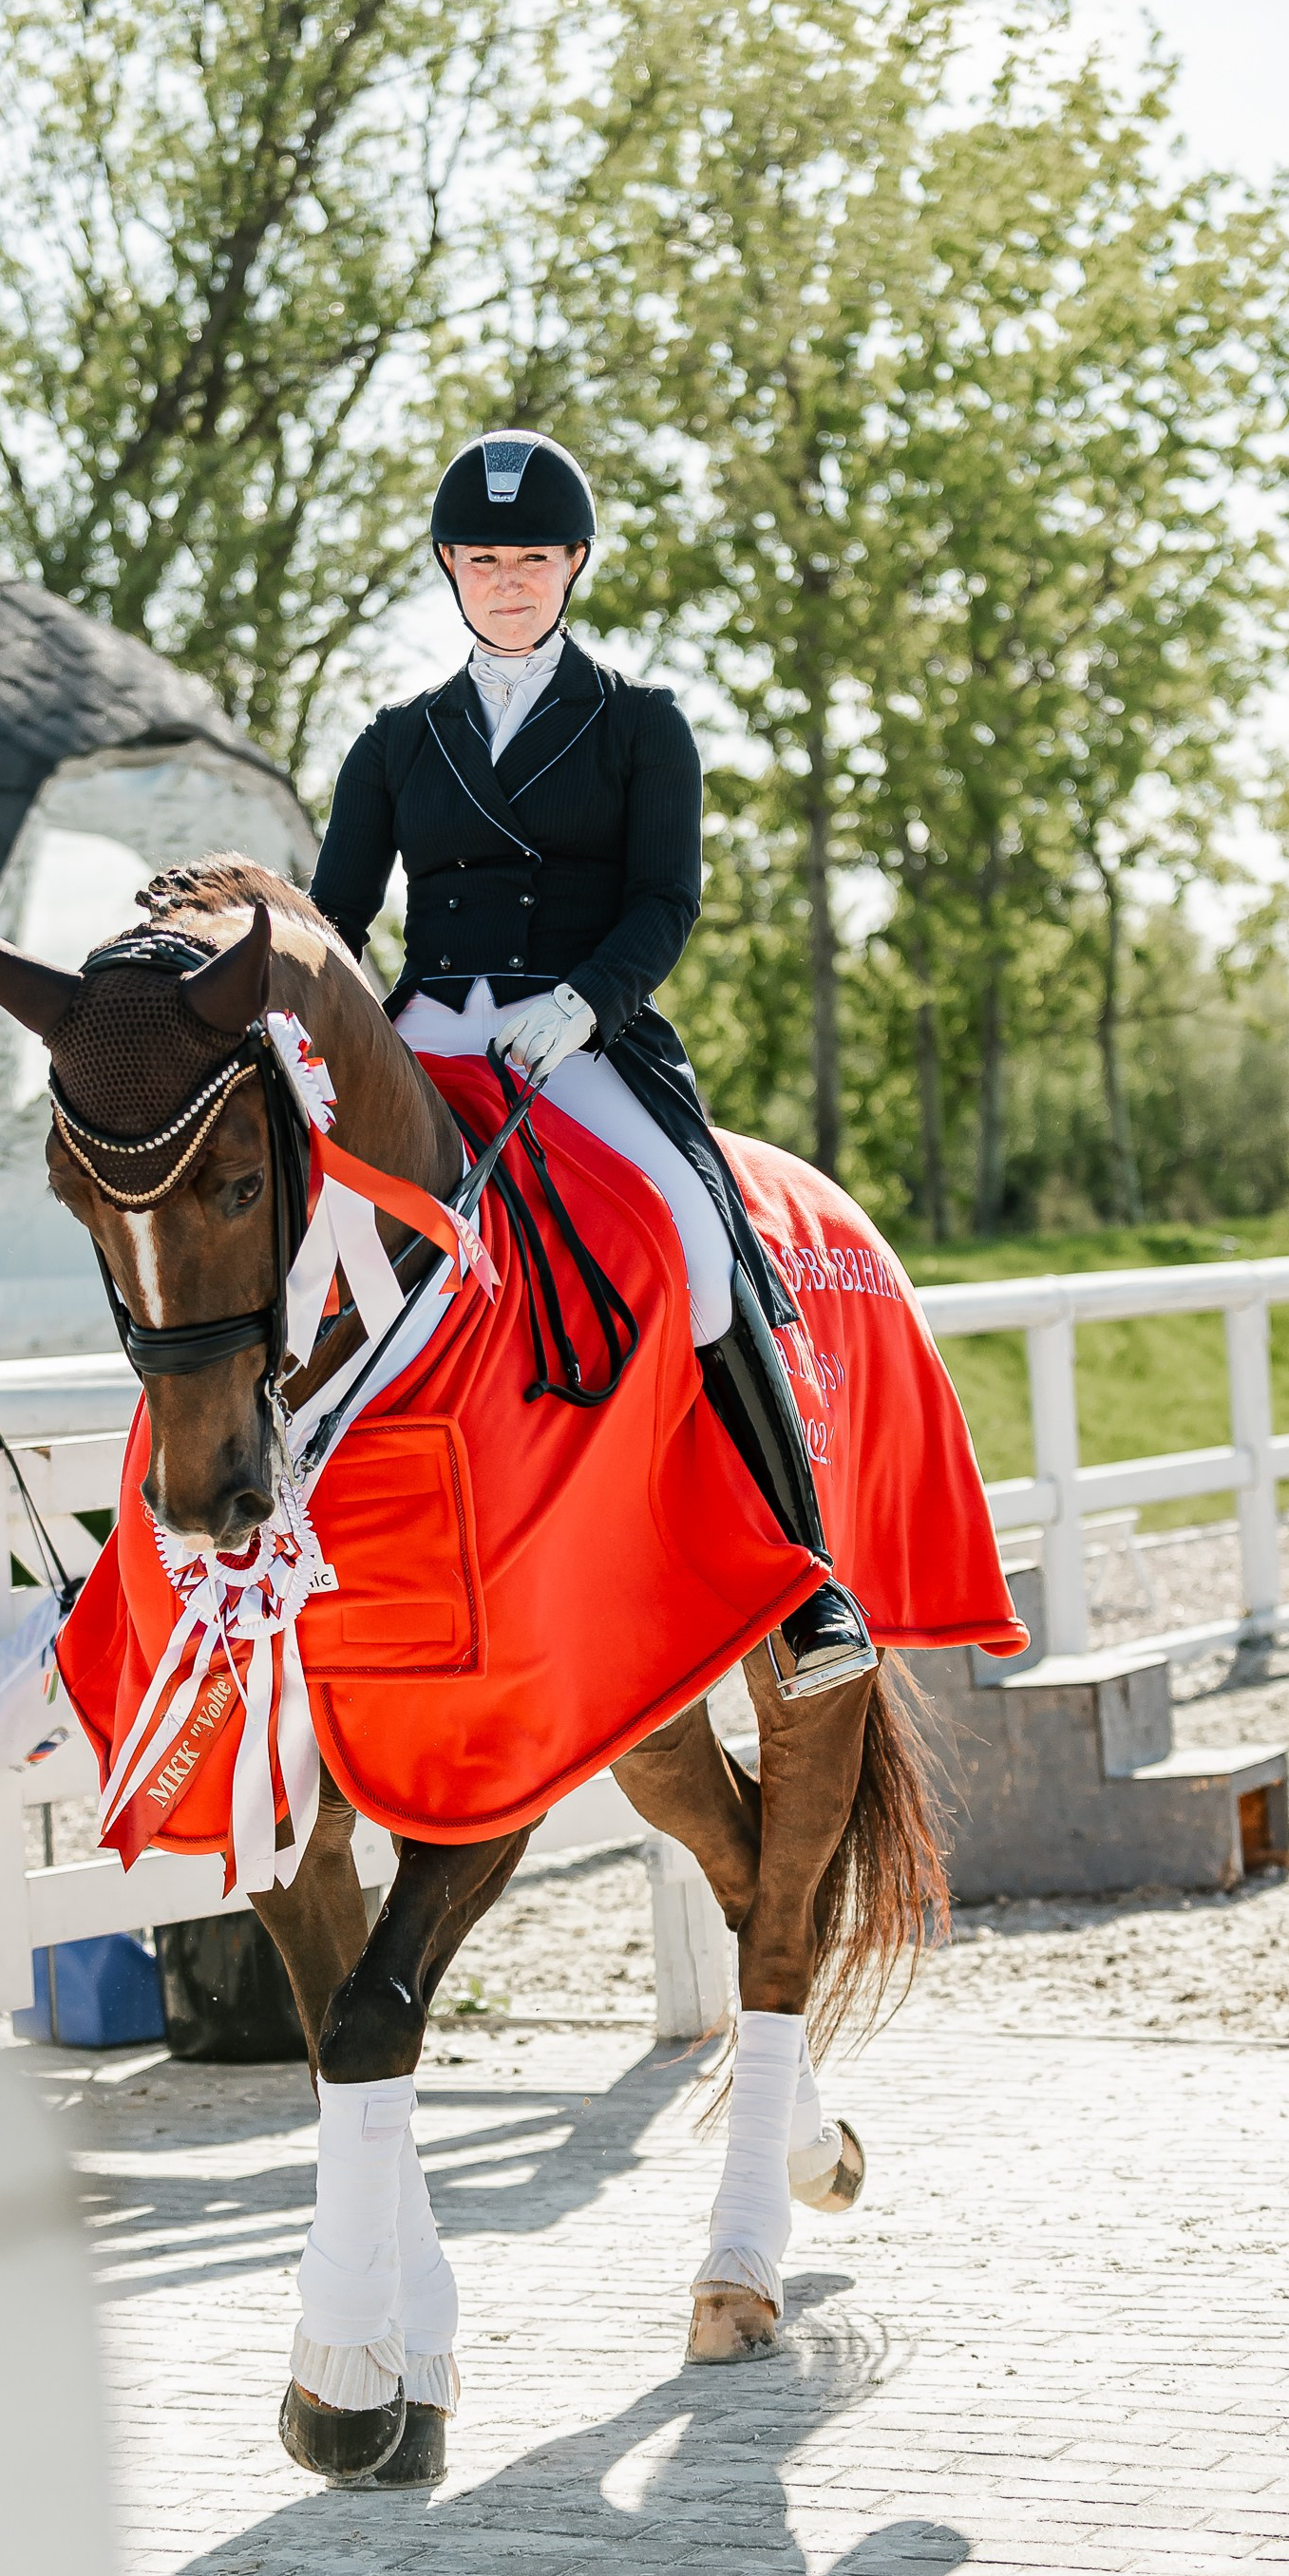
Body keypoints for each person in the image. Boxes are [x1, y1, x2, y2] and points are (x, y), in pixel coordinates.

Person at [310, 428, 875, 1693]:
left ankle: (807, 1582)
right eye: (483, 560)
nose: (508, 583)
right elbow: (334, 917)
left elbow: (666, 900)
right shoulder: (396, 741)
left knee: (697, 1237)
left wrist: (585, 1003)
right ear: (450, 567)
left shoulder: (639, 725)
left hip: (572, 1033)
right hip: (425, 1036)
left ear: (573, 564)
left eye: (532, 560)